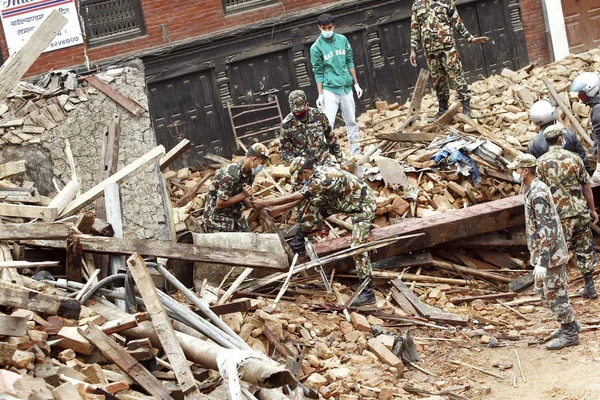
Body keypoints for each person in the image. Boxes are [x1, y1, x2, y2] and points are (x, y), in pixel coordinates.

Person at [251, 156, 377, 306]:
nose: (300, 181)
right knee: (313, 204)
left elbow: (298, 196)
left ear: (305, 172)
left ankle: (368, 292)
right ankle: (299, 242)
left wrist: (264, 202)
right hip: (344, 201)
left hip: (362, 207)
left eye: (299, 177)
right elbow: (302, 199)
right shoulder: (316, 174)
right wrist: (275, 210)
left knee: (357, 247)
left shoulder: (323, 178)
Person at [508, 153, 579, 350]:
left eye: (517, 170)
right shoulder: (530, 188)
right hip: (544, 251)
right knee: (543, 290)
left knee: (555, 293)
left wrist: (543, 261)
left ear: (526, 171)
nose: (514, 173)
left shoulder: (537, 193)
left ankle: (570, 333)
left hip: (551, 254)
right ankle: (569, 324)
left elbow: (546, 227)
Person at [536, 125, 599, 299]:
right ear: (560, 139)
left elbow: (539, 192)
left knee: (559, 253)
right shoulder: (575, 158)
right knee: (584, 249)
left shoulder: (540, 163)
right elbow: (586, 186)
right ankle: (590, 286)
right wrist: (592, 210)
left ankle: (559, 292)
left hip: (559, 216)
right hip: (579, 211)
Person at [409, 0, 488, 118]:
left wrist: (470, 38)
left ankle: (466, 108)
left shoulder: (447, 2)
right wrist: (413, 50)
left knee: (457, 76)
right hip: (430, 51)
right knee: (438, 80)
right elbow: (415, 28)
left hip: (448, 48)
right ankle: (442, 109)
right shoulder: (417, 4)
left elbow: (457, 21)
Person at [310, 13, 363, 157]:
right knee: (328, 124)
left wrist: (356, 84)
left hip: (346, 86)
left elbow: (349, 61)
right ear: (319, 27)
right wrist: (320, 94)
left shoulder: (342, 40)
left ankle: (356, 152)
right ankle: (327, 156)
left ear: (334, 25)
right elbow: (318, 71)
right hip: (330, 89)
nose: (327, 30)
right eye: (324, 28)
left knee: (351, 121)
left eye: (330, 27)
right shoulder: (316, 48)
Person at [202, 143, 269, 233]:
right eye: (261, 164)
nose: (261, 167)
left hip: (234, 215)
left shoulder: (249, 175)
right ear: (254, 159)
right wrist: (244, 195)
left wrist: (255, 204)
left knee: (249, 240)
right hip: (217, 220)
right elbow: (220, 203)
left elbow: (244, 198)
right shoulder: (230, 175)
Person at [280, 90, 344, 167]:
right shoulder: (286, 125)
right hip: (303, 166)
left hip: (323, 160)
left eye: (300, 111)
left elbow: (331, 138)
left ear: (307, 104)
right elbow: (284, 151)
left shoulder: (319, 116)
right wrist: (296, 163)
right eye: (295, 112)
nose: (297, 113)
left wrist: (340, 160)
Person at [527, 99, 592, 174]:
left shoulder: (533, 144)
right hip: (573, 180)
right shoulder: (568, 134)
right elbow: (583, 159)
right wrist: (588, 174)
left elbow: (531, 170)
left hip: (547, 183)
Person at [570, 72, 600, 181]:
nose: (579, 96)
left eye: (582, 93)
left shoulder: (597, 109)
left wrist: (599, 169)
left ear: (591, 90)